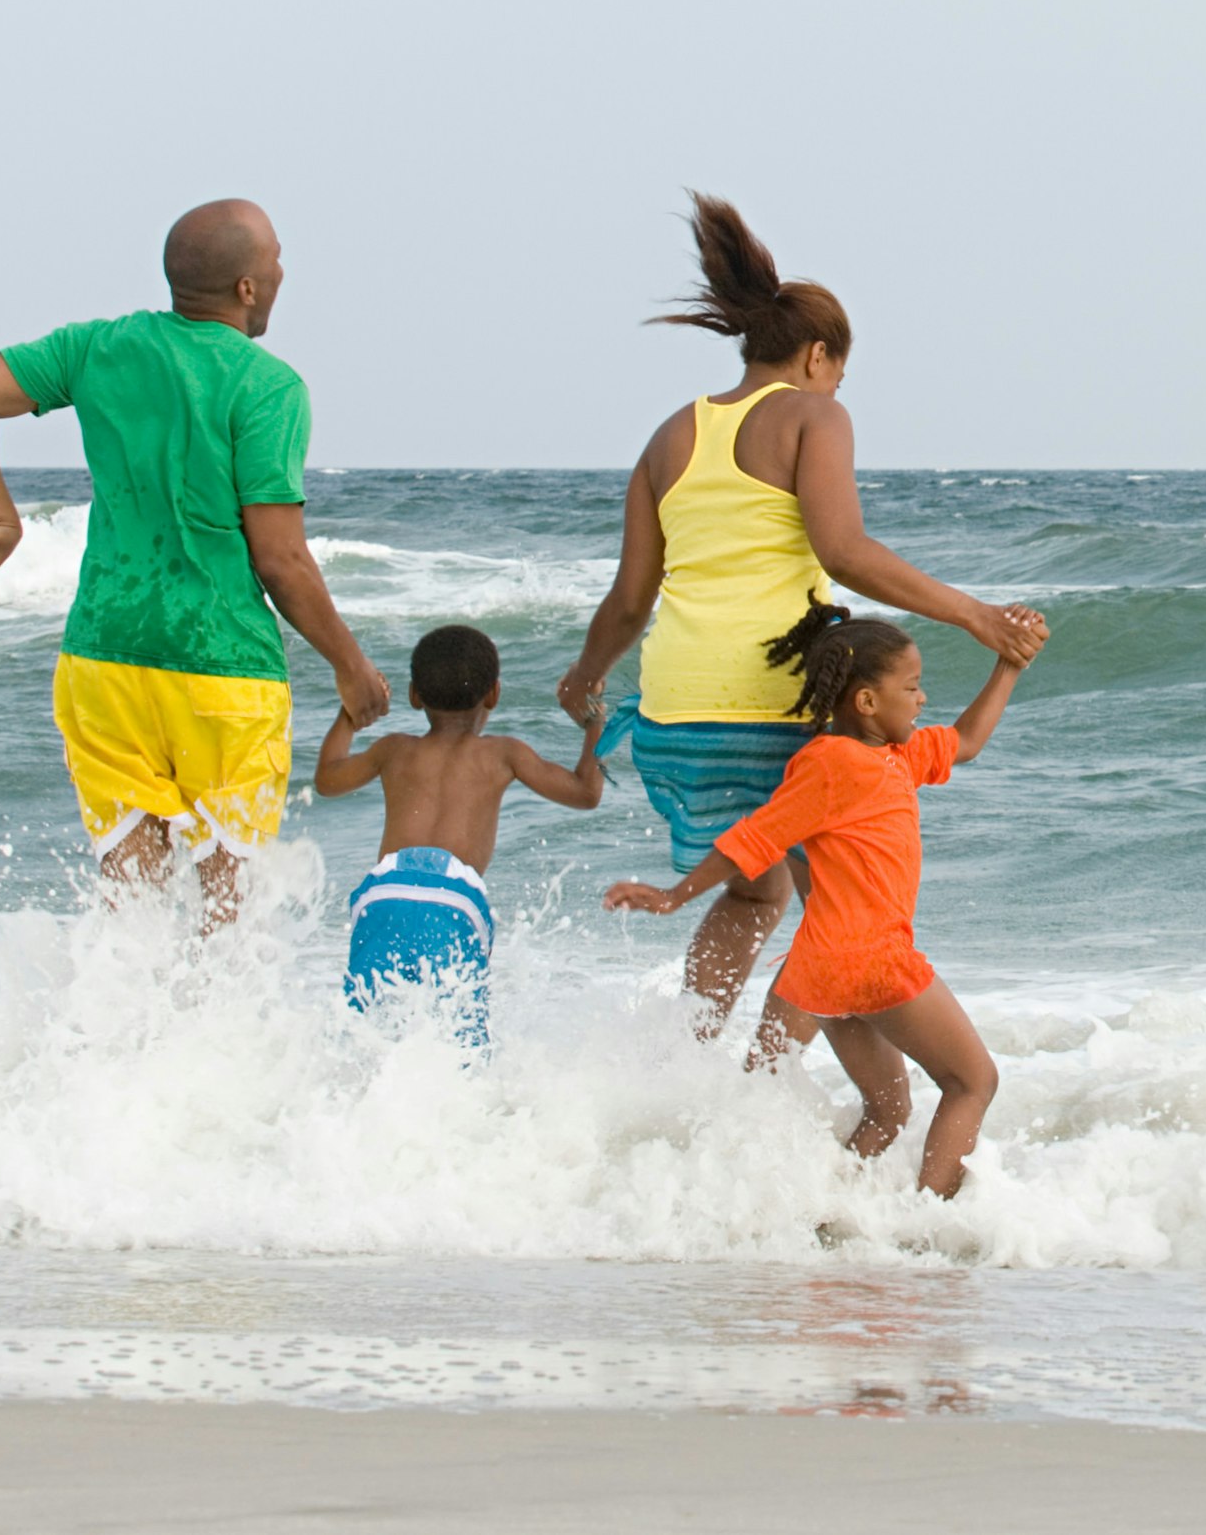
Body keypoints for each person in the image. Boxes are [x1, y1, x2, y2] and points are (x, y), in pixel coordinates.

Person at [554, 193, 1045, 1025]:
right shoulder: (816, 415)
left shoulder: (669, 436)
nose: (839, 386)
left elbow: (631, 598)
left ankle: (694, 1063)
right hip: (776, 707)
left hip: (674, 720)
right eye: (841, 371)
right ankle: (815, 1095)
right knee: (838, 915)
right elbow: (845, 550)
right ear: (819, 355)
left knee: (755, 895)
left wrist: (584, 679)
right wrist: (974, 615)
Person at [0, 198, 392, 926]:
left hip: (104, 659)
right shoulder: (268, 386)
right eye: (274, 262)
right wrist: (350, 665)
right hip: (223, 669)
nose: (279, 274)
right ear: (247, 287)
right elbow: (280, 560)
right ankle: (212, 1037)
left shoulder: (94, 348)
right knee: (227, 906)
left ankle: (123, 1032)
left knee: (129, 895)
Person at [605, 601, 1031, 1196]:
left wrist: (1008, 666)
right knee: (973, 1082)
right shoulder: (830, 765)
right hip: (873, 961)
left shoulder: (895, 758)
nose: (922, 698)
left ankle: (828, 1223)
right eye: (911, 687)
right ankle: (926, 1229)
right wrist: (676, 896)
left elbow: (965, 742)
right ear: (865, 702)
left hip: (825, 973)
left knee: (888, 1111)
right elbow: (755, 838)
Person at [315, 621, 606, 1042]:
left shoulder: (393, 748)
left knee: (366, 1033)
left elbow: (326, 778)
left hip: (382, 896)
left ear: (415, 696)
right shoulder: (504, 754)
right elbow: (585, 792)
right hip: (453, 901)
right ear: (494, 693)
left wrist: (350, 714)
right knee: (459, 1045)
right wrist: (593, 715)